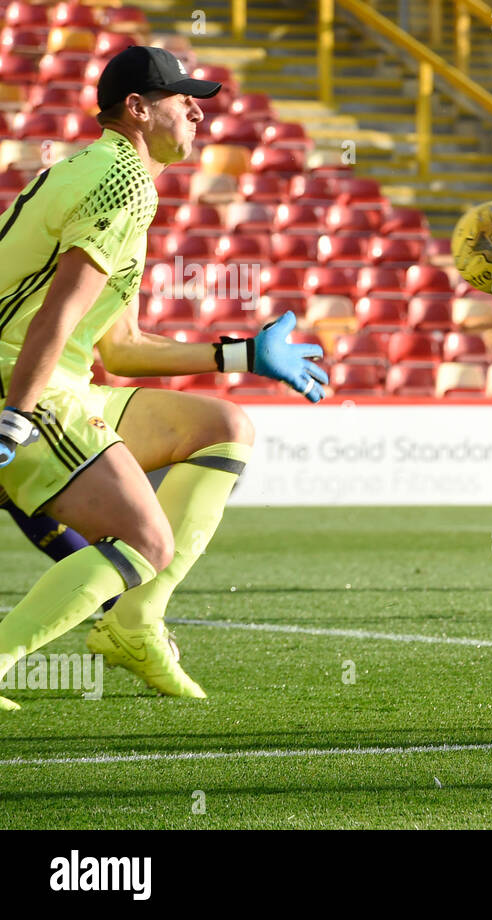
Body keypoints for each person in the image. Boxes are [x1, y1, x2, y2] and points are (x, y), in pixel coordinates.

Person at [0, 47, 327, 711]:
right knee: (148, 541)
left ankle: (132, 622)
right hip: (21, 381)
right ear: (137, 109)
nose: (197, 112)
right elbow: (53, 321)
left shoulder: (112, 174)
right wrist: (13, 418)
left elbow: (118, 346)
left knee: (223, 427)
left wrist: (242, 358)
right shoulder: (119, 182)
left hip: (49, 377)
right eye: (181, 99)